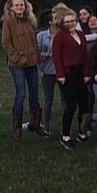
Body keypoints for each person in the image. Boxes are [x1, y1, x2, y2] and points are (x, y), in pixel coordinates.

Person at [2, 0, 45, 141]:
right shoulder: (8, 22)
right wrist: (17, 58)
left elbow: (34, 42)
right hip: (17, 64)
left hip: (32, 63)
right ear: (11, 7)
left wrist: (38, 56)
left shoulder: (30, 21)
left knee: (34, 92)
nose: (20, 7)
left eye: (22, 5)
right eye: (17, 5)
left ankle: (35, 123)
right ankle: (17, 127)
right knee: (21, 93)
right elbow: (6, 43)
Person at [52, 4, 92, 150]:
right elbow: (56, 57)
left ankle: (82, 133)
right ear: (62, 23)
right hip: (67, 74)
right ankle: (65, 136)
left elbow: (85, 56)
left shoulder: (81, 35)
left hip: (81, 73)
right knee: (71, 105)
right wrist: (60, 75)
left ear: (76, 21)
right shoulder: (60, 37)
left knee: (84, 103)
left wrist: (87, 73)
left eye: (72, 21)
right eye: (67, 22)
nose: (70, 23)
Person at [36, 9, 63, 137]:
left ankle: (65, 128)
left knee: (65, 101)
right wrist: (48, 55)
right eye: (55, 18)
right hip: (47, 72)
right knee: (48, 100)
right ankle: (46, 127)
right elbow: (37, 54)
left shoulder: (63, 34)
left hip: (62, 72)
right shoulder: (41, 36)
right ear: (50, 22)